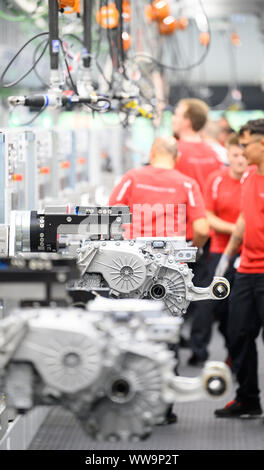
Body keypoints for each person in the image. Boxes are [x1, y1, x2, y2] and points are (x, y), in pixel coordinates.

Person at [214, 119, 264, 418]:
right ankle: (248, 399)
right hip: (246, 269)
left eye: (246, 145)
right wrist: (225, 261)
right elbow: (245, 219)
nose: (241, 151)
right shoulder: (250, 175)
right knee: (238, 334)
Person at [187, 133, 248, 366]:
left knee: (239, 312)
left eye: (244, 155)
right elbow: (208, 216)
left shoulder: (255, 181)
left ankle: (236, 355)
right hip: (219, 252)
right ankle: (198, 351)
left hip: (249, 254)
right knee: (208, 303)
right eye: (235, 155)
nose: (240, 159)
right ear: (228, 155)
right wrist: (237, 229)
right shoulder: (216, 179)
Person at [109, 136, 209, 247]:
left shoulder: (132, 178)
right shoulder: (188, 185)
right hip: (170, 257)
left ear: (151, 154)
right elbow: (202, 230)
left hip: (133, 254)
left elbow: (109, 214)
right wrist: (194, 250)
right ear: (177, 158)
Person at [172, 98, 223, 196]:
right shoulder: (213, 153)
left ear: (187, 122)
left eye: (176, 115)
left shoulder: (173, 151)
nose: (173, 119)